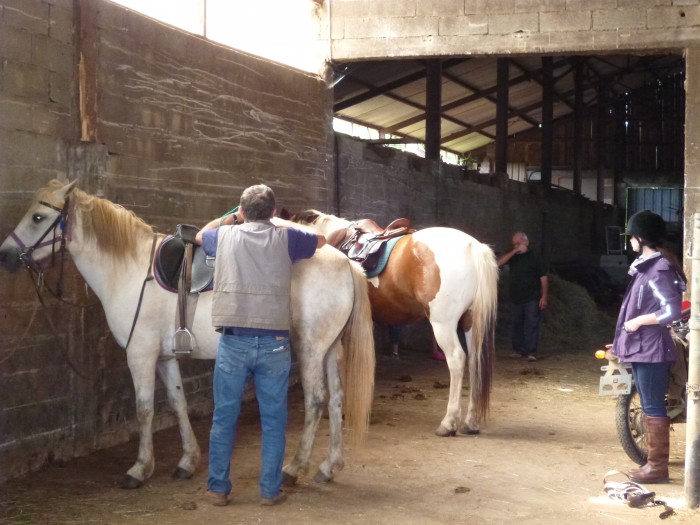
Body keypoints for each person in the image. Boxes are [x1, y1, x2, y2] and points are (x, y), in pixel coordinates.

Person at [195, 184, 326, 507]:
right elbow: (322, 240)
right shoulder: (287, 239)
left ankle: (218, 488)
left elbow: (199, 235)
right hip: (275, 343)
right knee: (273, 419)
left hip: (234, 340)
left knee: (224, 417)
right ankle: (269, 491)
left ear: (242, 211)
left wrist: (229, 218)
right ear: (271, 211)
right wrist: (283, 223)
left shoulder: (223, 237)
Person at [612, 210, 685, 483]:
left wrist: (639, 322)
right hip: (643, 347)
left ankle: (657, 468)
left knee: (653, 407)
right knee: (650, 405)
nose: (629, 241)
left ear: (640, 238)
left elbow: (672, 311)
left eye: (632, 236)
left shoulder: (659, 270)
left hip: (652, 349)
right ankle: (654, 466)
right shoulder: (647, 268)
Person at [497, 231, 548, 362]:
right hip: (515, 297)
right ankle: (519, 350)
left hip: (532, 297)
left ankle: (531, 352)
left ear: (526, 242)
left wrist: (544, 296)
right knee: (516, 324)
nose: (516, 246)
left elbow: (543, 278)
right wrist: (514, 252)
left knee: (531, 324)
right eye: (514, 244)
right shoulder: (513, 257)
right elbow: (498, 263)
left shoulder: (536, 257)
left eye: (518, 243)